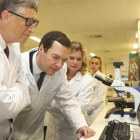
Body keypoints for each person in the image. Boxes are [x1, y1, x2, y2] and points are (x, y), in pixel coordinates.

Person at [12, 31, 95, 140]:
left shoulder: (61, 69)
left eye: (64, 60)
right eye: (55, 57)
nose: (59, 65)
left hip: (35, 134)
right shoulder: (16, 63)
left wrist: (81, 125)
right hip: (10, 132)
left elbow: (67, 100)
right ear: (41, 49)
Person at [0, 0, 39, 139]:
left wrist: (14, 90)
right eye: (28, 21)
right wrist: (20, 86)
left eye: (34, 23)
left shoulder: (14, 49)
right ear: (5, 17)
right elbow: (4, 108)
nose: (32, 29)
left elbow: (18, 100)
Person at [45, 41, 95, 140]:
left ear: (83, 61)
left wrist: (55, 104)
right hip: (53, 127)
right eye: (71, 58)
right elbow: (45, 101)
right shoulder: (54, 74)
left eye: (79, 59)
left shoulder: (88, 80)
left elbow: (79, 108)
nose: (75, 62)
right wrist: (67, 106)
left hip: (72, 130)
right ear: (65, 58)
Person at [85, 56, 107, 126]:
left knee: (95, 129)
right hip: (86, 108)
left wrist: (90, 108)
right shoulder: (87, 76)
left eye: (96, 63)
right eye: (92, 63)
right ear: (89, 64)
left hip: (96, 110)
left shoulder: (102, 77)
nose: (94, 65)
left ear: (100, 65)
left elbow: (100, 97)